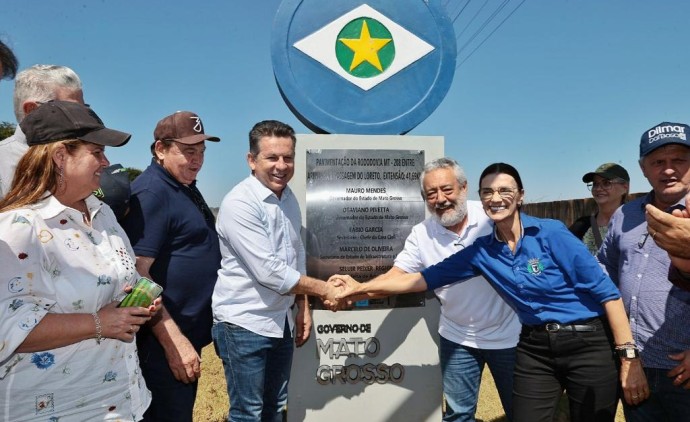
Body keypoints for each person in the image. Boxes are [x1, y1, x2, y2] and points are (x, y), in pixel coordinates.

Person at [332, 162, 648, 422]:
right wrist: (360, 287)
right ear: (481, 199)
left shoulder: (551, 233)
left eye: (504, 191)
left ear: (520, 196)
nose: (496, 198)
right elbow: (420, 279)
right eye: (488, 193)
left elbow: (607, 293)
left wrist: (628, 356)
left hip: (586, 342)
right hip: (534, 346)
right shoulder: (481, 252)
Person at [0, 100, 157, 420]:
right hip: (58, 410)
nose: (106, 162)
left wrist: (138, 299)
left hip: (124, 403)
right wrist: (99, 323)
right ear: (60, 156)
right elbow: (7, 328)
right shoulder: (21, 227)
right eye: (96, 152)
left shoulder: (104, 215)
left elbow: (124, 279)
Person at [354, 157, 520, 421]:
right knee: (458, 414)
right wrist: (354, 291)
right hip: (457, 338)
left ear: (464, 188)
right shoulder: (421, 234)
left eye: (447, 189)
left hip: (508, 335)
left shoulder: (491, 217)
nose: (440, 199)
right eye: (431, 194)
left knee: (521, 411)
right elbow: (396, 277)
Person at [211, 120, 342, 422]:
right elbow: (269, 272)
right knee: (248, 413)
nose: (281, 166)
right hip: (244, 322)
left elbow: (296, 254)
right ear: (251, 160)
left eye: (288, 157)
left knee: (275, 406)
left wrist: (303, 305)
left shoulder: (288, 198)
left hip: (280, 321)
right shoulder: (240, 203)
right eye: (272, 157)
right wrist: (325, 289)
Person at [120, 111, 221, 422]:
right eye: (188, 151)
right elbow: (136, 273)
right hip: (161, 343)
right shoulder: (152, 192)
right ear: (160, 149)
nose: (197, 160)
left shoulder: (182, 184)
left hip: (186, 333)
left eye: (202, 151)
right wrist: (172, 341)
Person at [598, 121, 690, 421]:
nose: (668, 169)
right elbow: (605, 269)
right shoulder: (626, 214)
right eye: (658, 162)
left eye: (679, 160)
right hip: (635, 363)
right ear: (643, 169)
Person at [0, 64, 84, 199]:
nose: (82, 117)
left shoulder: (87, 158)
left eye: (83, 109)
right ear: (32, 110)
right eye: (70, 108)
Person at [569, 163, 630, 254]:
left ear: (625, 187)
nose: (598, 189)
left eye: (606, 183)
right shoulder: (581, 226)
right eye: (595, 184)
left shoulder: (636, 225)